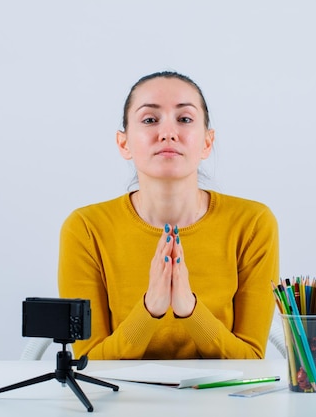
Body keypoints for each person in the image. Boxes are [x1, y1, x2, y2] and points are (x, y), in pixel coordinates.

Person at [58, 71, 279, 360]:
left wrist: (189, 309)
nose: (168, 133)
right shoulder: (86, 228)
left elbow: (250, 361)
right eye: (150, 120)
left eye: (185, 119)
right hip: (120, 403)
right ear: (123, 143)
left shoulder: (252, 223)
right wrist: (151, 308)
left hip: (221, 403)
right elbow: (89, 363)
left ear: (207, 143)